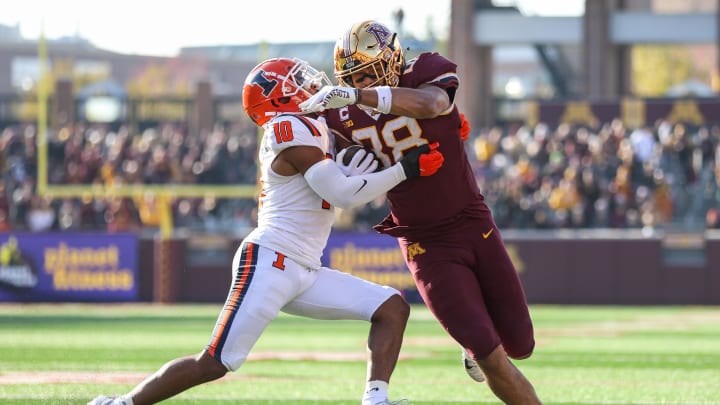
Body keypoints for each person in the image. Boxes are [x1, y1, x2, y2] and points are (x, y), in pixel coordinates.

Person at [88, 57, 445, 405]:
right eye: (298, 80)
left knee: (392, 307)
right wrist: (404, 170)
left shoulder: (315, 126)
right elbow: (340, 193)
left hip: (304, 267)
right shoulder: (287, 126)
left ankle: (375, 400)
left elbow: (370, 148)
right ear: (279, 96)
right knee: (216, 361)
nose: (310, 83)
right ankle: (122, 404)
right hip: (272, 259)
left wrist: (444, 127)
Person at [300, 20, 542, 404]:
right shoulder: (339, 114)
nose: (360, 82)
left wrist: (357, 96)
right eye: (353, 77)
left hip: (472, 221)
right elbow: (333, 153)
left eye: (366, 73)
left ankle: (471, 348)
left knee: (521, 344)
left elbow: (433, 104)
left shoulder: (424, 70)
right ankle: (476, 347)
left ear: (391, 60)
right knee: (492, 356)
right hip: (423, 242)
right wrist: (347, 158)